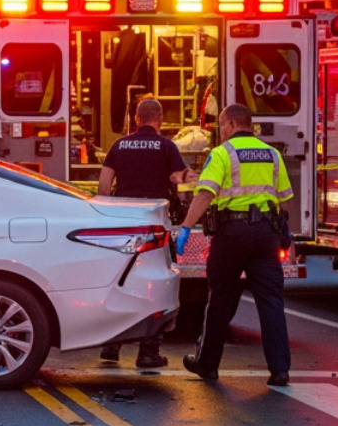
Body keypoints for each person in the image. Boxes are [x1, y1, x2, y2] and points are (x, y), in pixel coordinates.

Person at [178, 103, 295, 387]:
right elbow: (285, 198)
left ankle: (208, 364)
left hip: (231, 234)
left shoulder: (222, 154)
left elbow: (205, 194)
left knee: (219, 297)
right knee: (270, 301)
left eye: (221, 125)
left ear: (230, 124)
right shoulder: (272, 154)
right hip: (266, 235)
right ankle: (279, 370)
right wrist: (283, 229)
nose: (221, 131)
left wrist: (185, 227)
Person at [96, 97, 194, 369]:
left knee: (118, 280)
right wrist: (194, 177)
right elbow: (177, 177)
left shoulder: (119, 145)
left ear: (137, 119)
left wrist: (107, 217)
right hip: (153, 225)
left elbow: (104, 186)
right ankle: (148, 352)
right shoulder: (166, 146)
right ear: (159, 119)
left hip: (122, 224)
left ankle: (111, 345)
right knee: (154, 284)